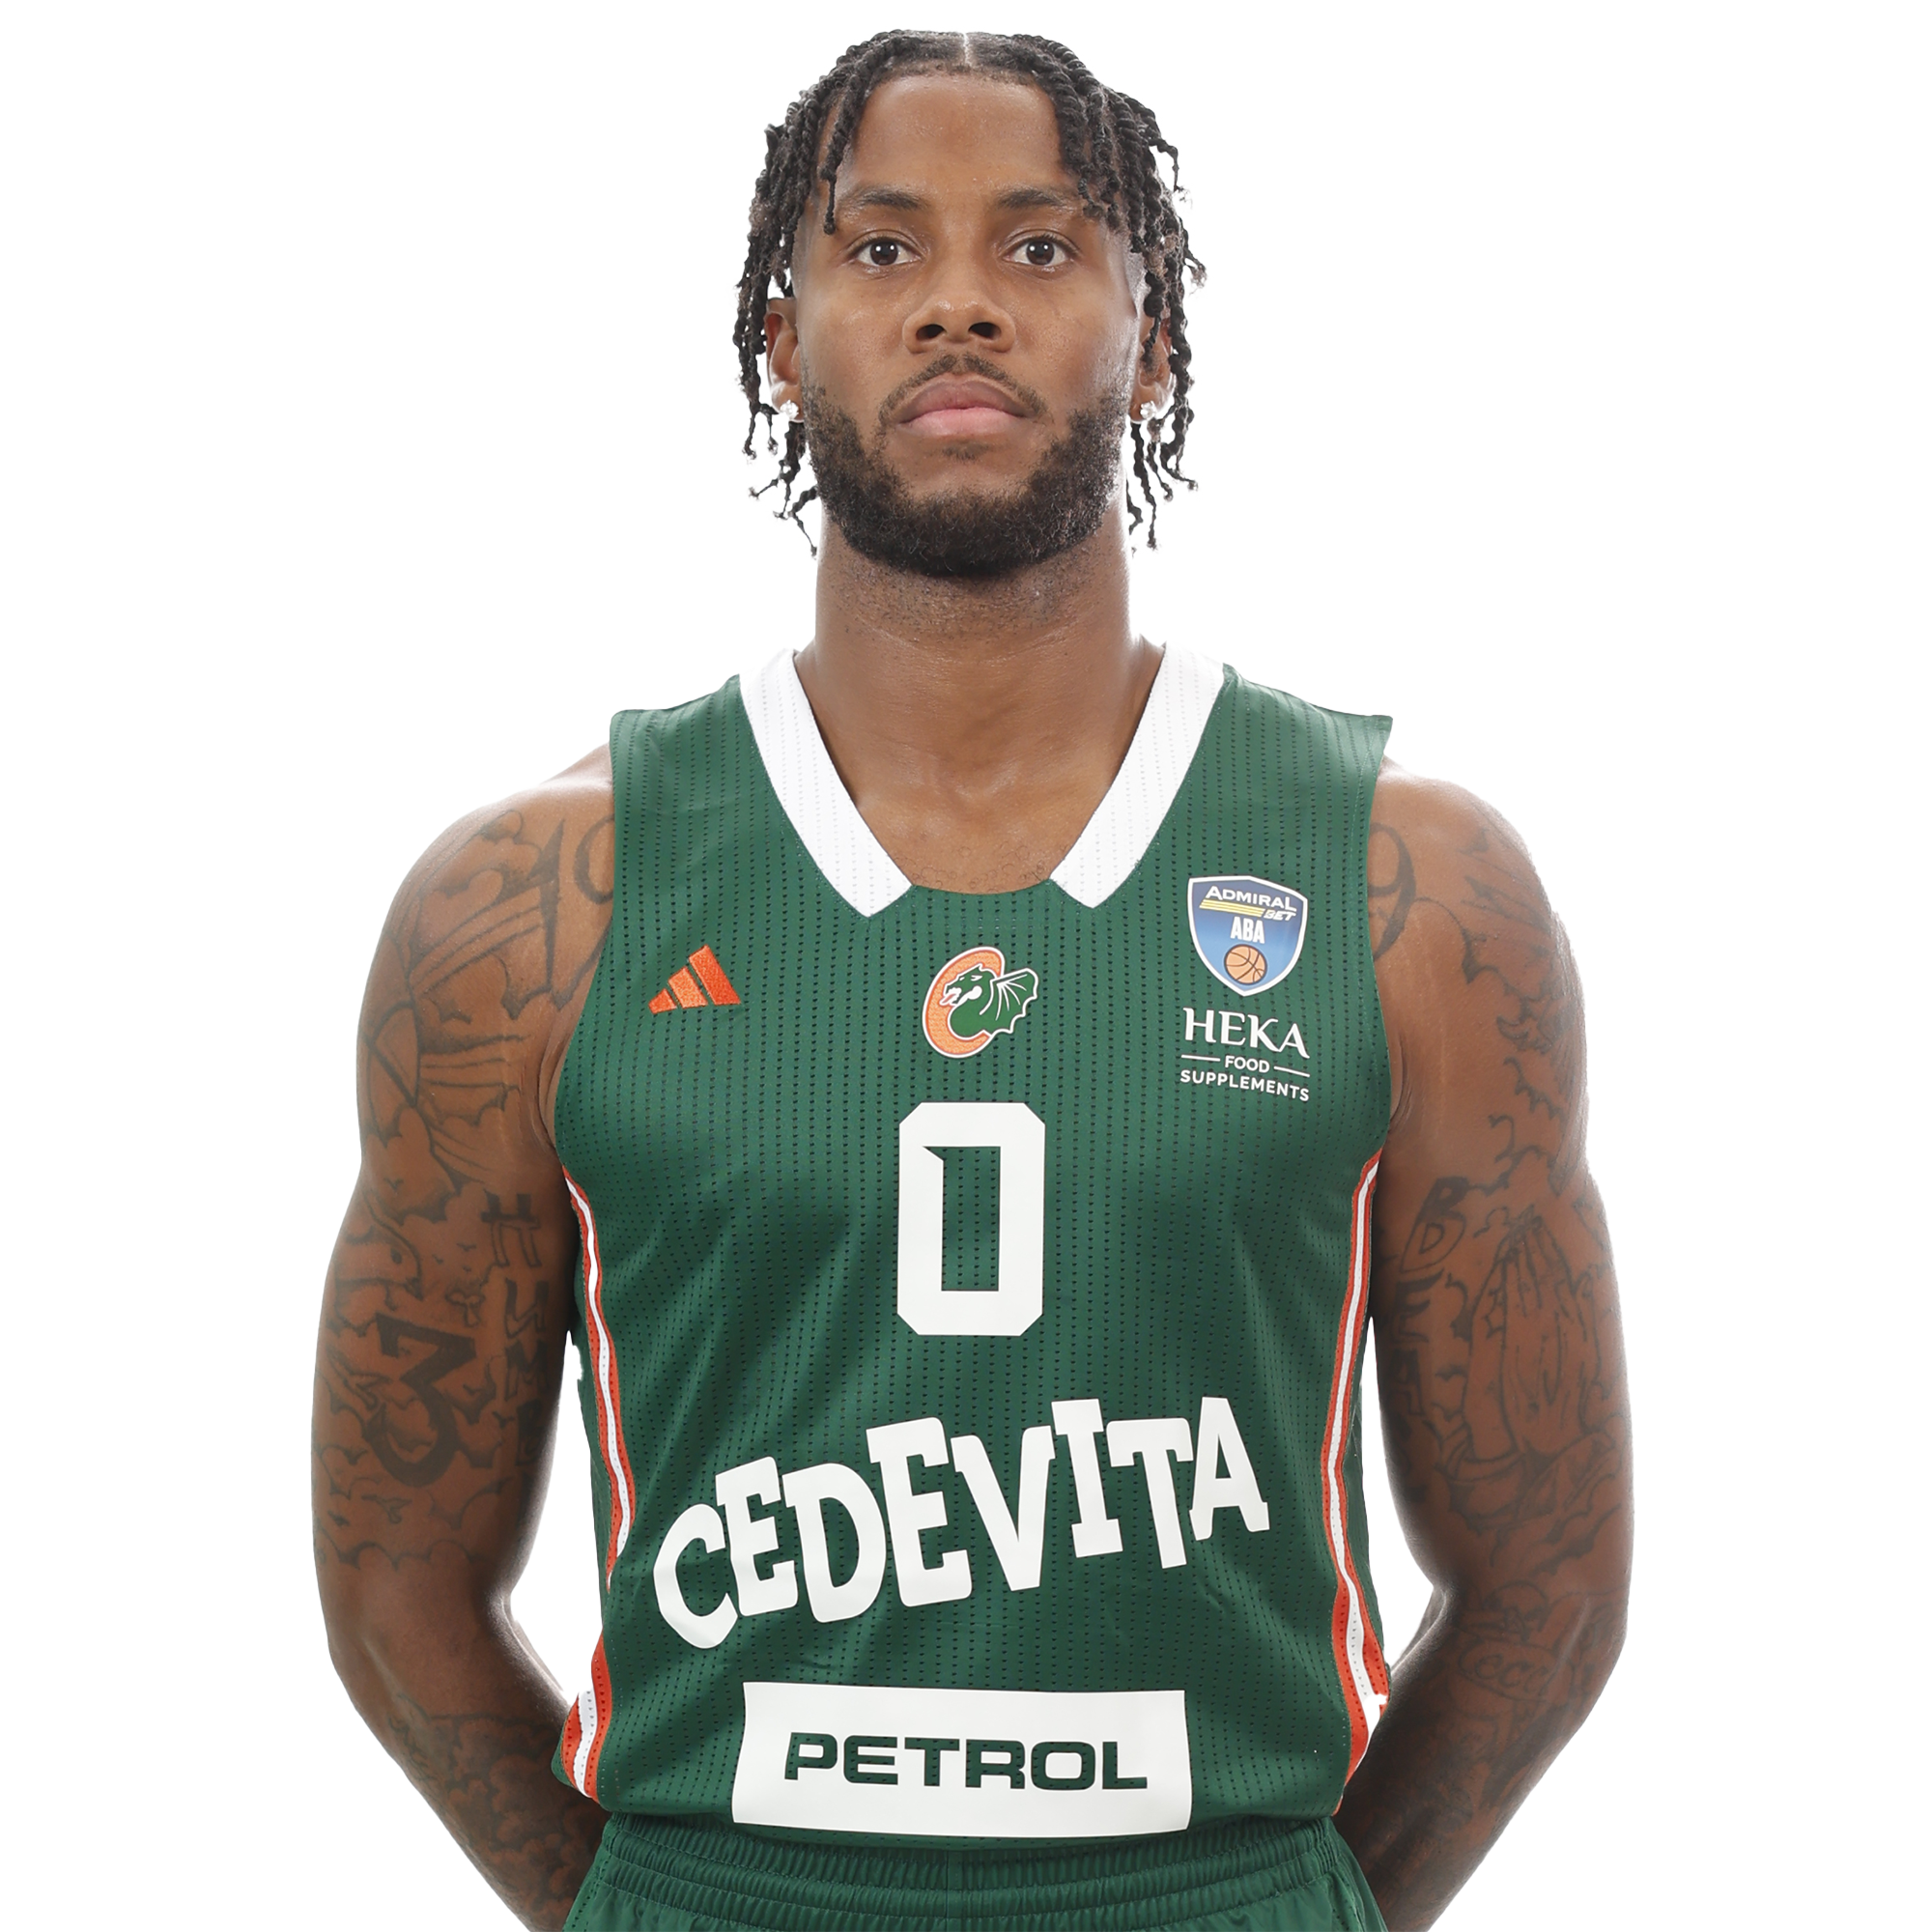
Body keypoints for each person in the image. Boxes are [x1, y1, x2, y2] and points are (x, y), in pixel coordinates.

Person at [312, 29, 1632, 1932]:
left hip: (1218, 1883)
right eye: (880, 248)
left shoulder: (1404, 890)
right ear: (782, 340)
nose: (957, 305)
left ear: (1150, 337)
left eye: (1036, 246)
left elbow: (1548, 1587)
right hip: (716, 1880)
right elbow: (395, 1589)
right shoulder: (532, 908)